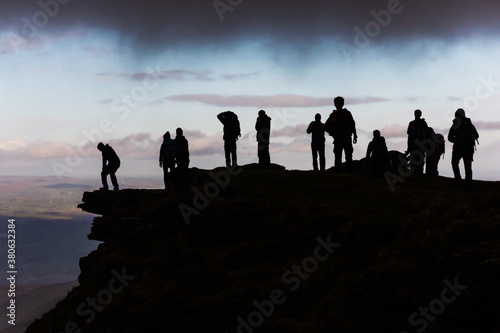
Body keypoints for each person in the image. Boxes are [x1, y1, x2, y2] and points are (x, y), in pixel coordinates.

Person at [324, 97, 357, 172]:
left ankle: (348, 172)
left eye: (339, 103)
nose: (338, 105)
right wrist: (332, 133)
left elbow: (352, 124)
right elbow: (326, 127)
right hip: (340, 138)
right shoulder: (334, 115)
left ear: (342, 104)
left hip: (346, 138)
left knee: (347, 156)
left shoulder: (346, 113)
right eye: (337, 103)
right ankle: (341, 172)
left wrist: (355, 135)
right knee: (339, 157)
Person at [448, 108, 479, 185]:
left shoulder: (461, 125)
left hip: (463, 148)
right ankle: (465, 182)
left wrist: (459, 140)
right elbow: (476, 135)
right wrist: (457, 140)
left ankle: (461, 181)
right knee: (465, 166)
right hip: (465, 148)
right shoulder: (468, 124)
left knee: (460, 165)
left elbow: (450, 137)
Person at [406, 109, 428, 176]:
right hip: (420, 145)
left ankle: (414, 174)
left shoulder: (412, 123)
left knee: (414, 161)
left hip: (414, 145)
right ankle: (418, 174)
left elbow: (408, 133)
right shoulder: (423, 123)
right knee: (419, 161)